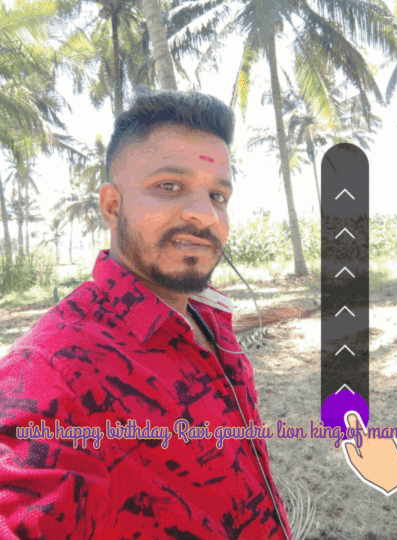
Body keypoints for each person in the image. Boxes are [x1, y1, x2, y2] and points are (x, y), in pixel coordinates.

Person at [0, 86, 292, 539]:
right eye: (169, 186)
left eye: (218, 195)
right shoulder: (52, 369)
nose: (205, 215)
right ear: (112, 206)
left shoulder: (209, 317)